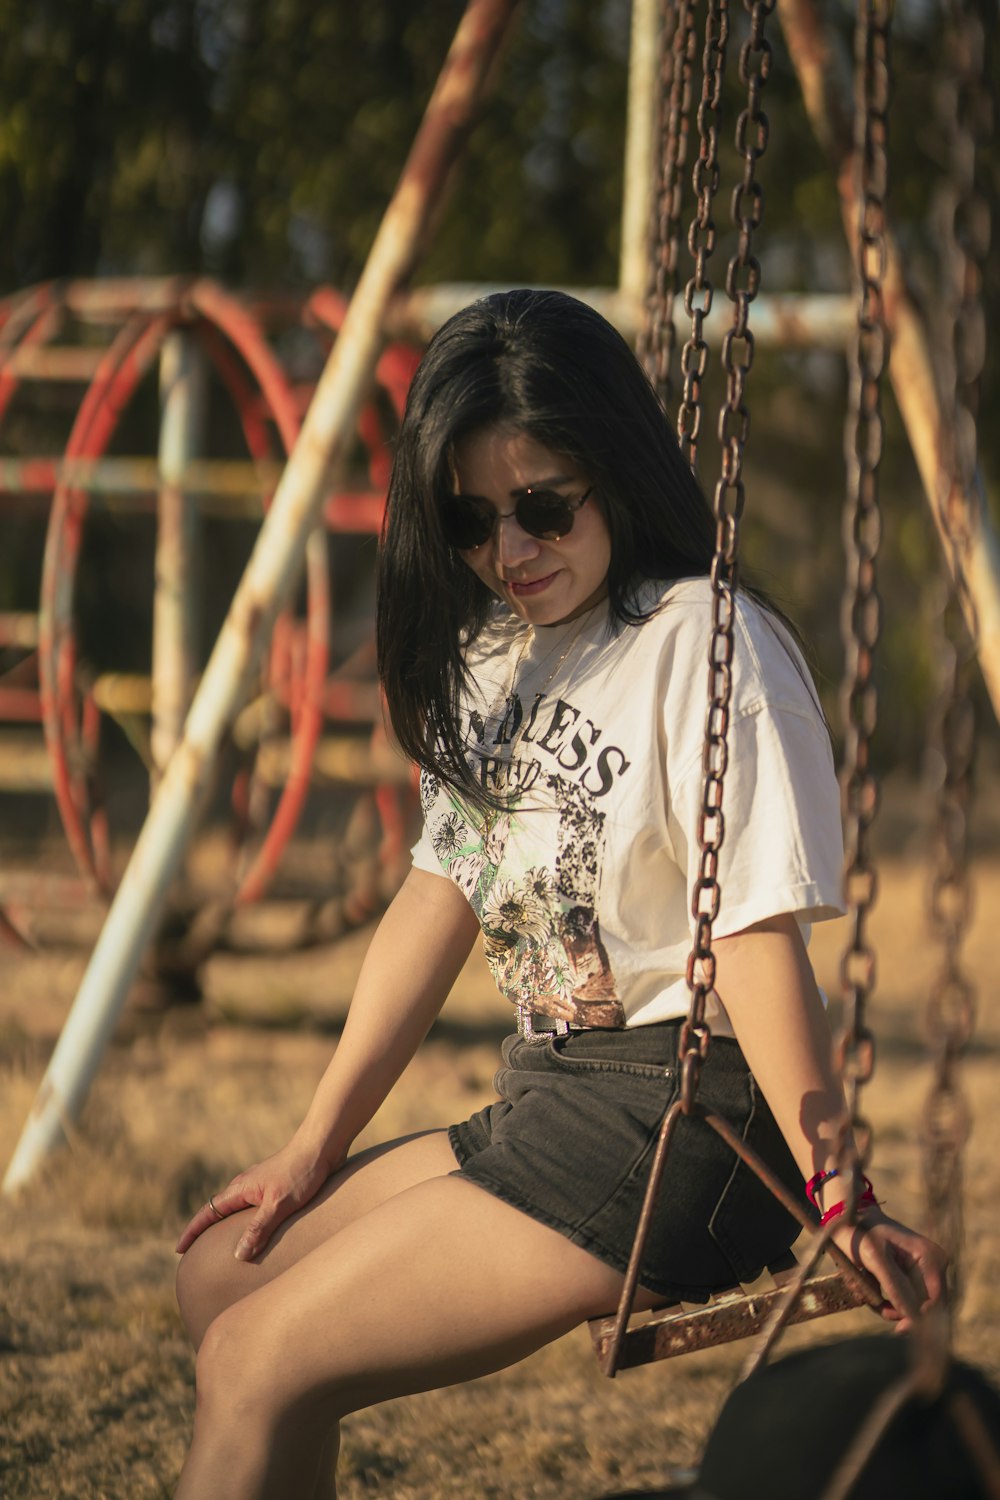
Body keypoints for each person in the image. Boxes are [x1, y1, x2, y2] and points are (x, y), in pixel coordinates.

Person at [173, 289, 947, 1499]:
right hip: (552, 1095)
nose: (512, 551)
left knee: (258, 1356)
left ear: (615, 471)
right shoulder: (498, 655)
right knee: (220, 1274)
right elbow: (439, 897)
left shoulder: (705, 641)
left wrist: (837, 1186)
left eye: (543, 507)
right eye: (473, 521)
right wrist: (310, 1146)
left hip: (685, 1121)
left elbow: (749, 938)